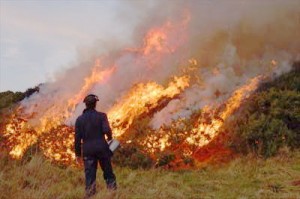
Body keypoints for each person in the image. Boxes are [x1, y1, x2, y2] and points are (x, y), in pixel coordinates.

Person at [75, 94, 117, 197]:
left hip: (88, 150)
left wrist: (78, 154)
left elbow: (77, 139)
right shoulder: (102, 116)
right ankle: (112, 194)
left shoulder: (79, 120)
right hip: (102, 148)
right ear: (95, 104)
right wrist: (111, 140)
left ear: (86, 105)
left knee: (90, 176)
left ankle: (90, 195)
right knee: (108, 172)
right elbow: (107, 130)